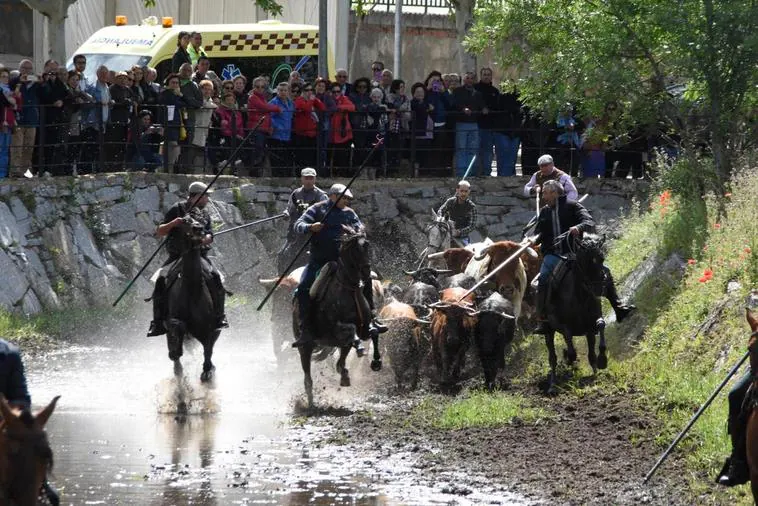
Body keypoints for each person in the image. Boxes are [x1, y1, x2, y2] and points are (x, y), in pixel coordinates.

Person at [532, 180, 635, 335]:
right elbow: (539, 234)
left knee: (603, 271)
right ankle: (543, 319)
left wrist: (578, 227)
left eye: (546, 193)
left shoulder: (573, 206)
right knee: (543, 278)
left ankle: (618, 307)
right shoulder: (545, 212)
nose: (544, 196)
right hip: (553, 254)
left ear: (555, 193)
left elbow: (589, 222)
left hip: (575, 252)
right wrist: (532, 239)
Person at [291, 184, 387, 348]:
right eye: (344, 198)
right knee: (303, 288)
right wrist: (310, 227)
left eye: (349, 199)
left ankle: (372, 318)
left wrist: (357, 233)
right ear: (333, 196)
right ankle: (305, 329)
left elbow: (359, 228)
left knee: (368, 278)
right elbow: (298, 224)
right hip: (319, 260)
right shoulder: (317, 209)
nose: (347, 201)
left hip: (345, 261)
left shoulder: (349, 213)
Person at [147, 181, 229, 337]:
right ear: (196, 196)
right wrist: (174, 223)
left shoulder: (204, 213)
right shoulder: (176, 209)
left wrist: (205, 239)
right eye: (206, 196)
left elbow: (210, 234)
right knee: (160, 281)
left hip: (200, 256)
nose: (207, 199)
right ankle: (157, 322)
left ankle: (219, 317)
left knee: (217, 278)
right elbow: (160, 231)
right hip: (177, 256)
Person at [0, 338, 60, 505]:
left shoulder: (9, 354)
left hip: (6, 427)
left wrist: (15, 415)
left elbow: (21, 399)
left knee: (51, 498)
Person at [277, 167, 328, 274]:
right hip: (295, 234)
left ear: (315, 179)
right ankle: (282, 278)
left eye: (311, 178)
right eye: (306, 178)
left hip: (312, 235)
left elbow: (325, 215)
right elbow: (289, 209)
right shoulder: (296, 194)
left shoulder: (321, 195)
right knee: (282, 255)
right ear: (302, 179)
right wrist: (286, 213)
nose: (309, 181)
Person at [437, 180, 477, 246]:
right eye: (461, 191)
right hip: (446, 234)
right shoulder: (450, 201)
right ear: (457, 190)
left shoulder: (472, 207)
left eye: (466, 191)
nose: (463, 194)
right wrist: (441, 221)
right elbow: (440, 211)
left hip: (462, 237)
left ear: (469, 192)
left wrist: (459, 232)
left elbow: (472, 226)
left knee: (468, 253)